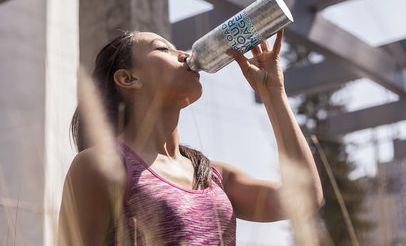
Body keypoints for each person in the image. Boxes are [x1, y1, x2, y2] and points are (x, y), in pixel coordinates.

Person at [58, 30, 323, 246]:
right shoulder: (101, 166)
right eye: (163, 49)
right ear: (129, 78)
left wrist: (273, 92)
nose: (185, 55)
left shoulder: (212, 175)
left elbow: (306, 198)